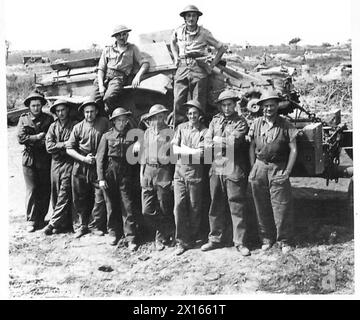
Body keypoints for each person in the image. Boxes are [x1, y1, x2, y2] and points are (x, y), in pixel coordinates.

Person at [201, 90, 251, 256]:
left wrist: (217, 141)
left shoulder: (241, 122)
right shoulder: (215, 121)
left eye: (230, 104)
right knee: (215, 203)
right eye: (224, 105)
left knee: (236, 204)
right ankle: (215, 239)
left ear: (235, 104)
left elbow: (235, 142)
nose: (227, 107)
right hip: (216, 166)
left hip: (233, 165)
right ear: (220, 106)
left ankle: (240, 242)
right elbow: (206, 142)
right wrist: (217, 142)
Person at [248, 90, 298, 254]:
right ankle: (266, 238)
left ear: (277, 106)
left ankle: (284, 241)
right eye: (266, 106)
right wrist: (253, 167)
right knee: (261, 205)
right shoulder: (256, 124)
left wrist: (288, 170)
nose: (269, 108)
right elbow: (251, 147)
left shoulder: (286, 124)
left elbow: (294, 149)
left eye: (272, 105)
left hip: (278, 168)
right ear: (261, 107)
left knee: (281, 206)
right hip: (260, 167)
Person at [170, 5, 227, 121]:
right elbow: (172, 42)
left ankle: (198, 131)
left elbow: (221, 48)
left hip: (199, 67)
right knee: (178, 100)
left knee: (198, 102)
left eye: (194, 16)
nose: (191, 18)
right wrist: (176, 57)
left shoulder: (204, 33)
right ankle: (179, 131)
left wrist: (212, 65)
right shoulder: (178, 31)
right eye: (188, 16)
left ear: (197, 18)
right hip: (183, 66)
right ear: (184, 18)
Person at [66, 99, 111, 238]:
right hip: (81, 165)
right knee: (80, 197)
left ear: (97, 111)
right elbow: (69, 149)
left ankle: (96, 225)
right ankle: (82, 225)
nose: (89, 115)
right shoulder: (78, 127)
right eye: (86, 112)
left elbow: (111, 137)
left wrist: (100, 156)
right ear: (83, 113)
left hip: (99, 165)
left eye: (92, 111)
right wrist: (83, 158)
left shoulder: (104, 122)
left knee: (99, 198)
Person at [96, 107, 138, 250]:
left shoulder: (132, 136)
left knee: (128, 206)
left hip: (126, 175)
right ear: (113, 122)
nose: (121, 123)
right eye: (118, 120)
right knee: (111, 205)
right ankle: (113, 233)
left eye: (124, 120)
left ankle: (131, 237)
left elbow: (136, 158)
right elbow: (100, 159)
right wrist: (101, 178)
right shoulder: (107, 136)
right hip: (110, 175)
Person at [135, 104, 175, 251]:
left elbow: (175, 157)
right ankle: (167, 230)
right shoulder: (147, 133)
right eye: (154, 118)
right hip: (148, 172)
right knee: (147, 210)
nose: (157, 121)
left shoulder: (171, 132)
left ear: (164, 117)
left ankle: (160, 237)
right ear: (150, 119)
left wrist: (173, 178)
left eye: (160, 117)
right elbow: (143, 155)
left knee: (164, 207)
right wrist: (141, 174)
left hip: (163, 172)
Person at [171, 100, 207, 255]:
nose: (192, 116)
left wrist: (184, 149)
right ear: (187, 115)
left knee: (194, 208)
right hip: (179, 174)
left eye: (195, 113)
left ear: (199, 115)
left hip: (195, 175)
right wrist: (190, 150)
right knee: (179, 207)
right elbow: (173, 149)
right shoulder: (180, 128)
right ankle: (181, 241)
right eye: (190, 113)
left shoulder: (204, 131)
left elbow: (202, 154)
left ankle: (193, 238)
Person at [17, 91, 53, 232]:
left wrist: (34, 139)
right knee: (32, 189)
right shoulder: (23, 119)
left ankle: (41, 218)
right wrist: (37, 137)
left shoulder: (48, 119)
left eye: (38, 105)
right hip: (30, 159)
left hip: (44, 158)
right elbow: (21, 138)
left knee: (45, 189)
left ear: (42, 105)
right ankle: (31, 220)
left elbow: (51, 137)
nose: (36, 108)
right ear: (29, 107)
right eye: (33, 105)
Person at [93, 25, 150, 115]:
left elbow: (145, 63)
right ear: (115, 37)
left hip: (118, 78)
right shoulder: (108, 49)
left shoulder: (132, 48)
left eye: (124, 34)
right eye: (119, 35)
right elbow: (101, 69)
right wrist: (101, 86)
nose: (122, 37)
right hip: (104, 78)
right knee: (92, 101)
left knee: (108, 97)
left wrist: (137, 76)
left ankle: (110, 116)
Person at [44, 100, 78, 235]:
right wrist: (64, 145)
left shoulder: (74, 125)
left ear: (68, 110)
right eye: (58, 111)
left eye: (63, 110)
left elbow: (74, 145)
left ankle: (53, 223)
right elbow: (49, 147)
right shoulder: (53, 127)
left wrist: (60, 145)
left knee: (65, 191)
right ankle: (62, 223)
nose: (61, 113)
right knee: (56, 192)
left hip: (69, 163)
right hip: (55, 164)